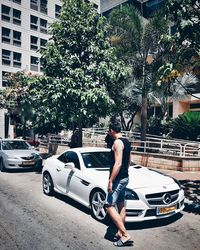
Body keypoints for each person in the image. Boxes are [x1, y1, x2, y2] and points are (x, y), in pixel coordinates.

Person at [105, 120, 133, 247]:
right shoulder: (127, 142)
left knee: (108, 206)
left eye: (108, 130)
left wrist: (111, 181)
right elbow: (129, 161)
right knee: (121, 205)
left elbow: (118, 163)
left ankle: (125, 234)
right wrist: (125, 175)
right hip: (125, 177)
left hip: (118, 179)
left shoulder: (117, 142)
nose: (108, 132)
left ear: (112, 130)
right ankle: (120, 234)